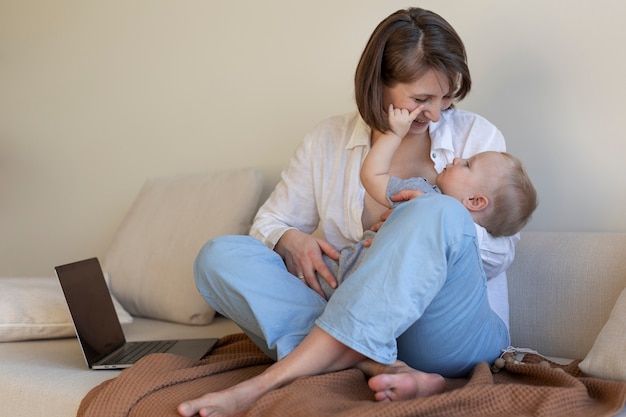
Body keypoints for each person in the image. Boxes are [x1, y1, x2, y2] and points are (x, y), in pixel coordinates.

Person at [179, 6, 523, 417]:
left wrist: (427, 228)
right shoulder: (326, 139)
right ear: (378, 84)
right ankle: (378, 363)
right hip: (359, 309)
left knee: (439, 213)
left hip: (447, 331)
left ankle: (268, 383)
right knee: (218, 257)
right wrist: (291, 240)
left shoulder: (476, 138)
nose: (435, 112)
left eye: (446, 97)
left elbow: (502, 253)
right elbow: (267, 224)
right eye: (420, 99)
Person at [317, 103, 537, 299]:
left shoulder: (426, 198)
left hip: (351, 278)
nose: (457, 158)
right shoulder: (421, 193)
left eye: (467, 165)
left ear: (475, 201)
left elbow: (371, 176)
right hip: (355, 282)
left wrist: (394, 135)